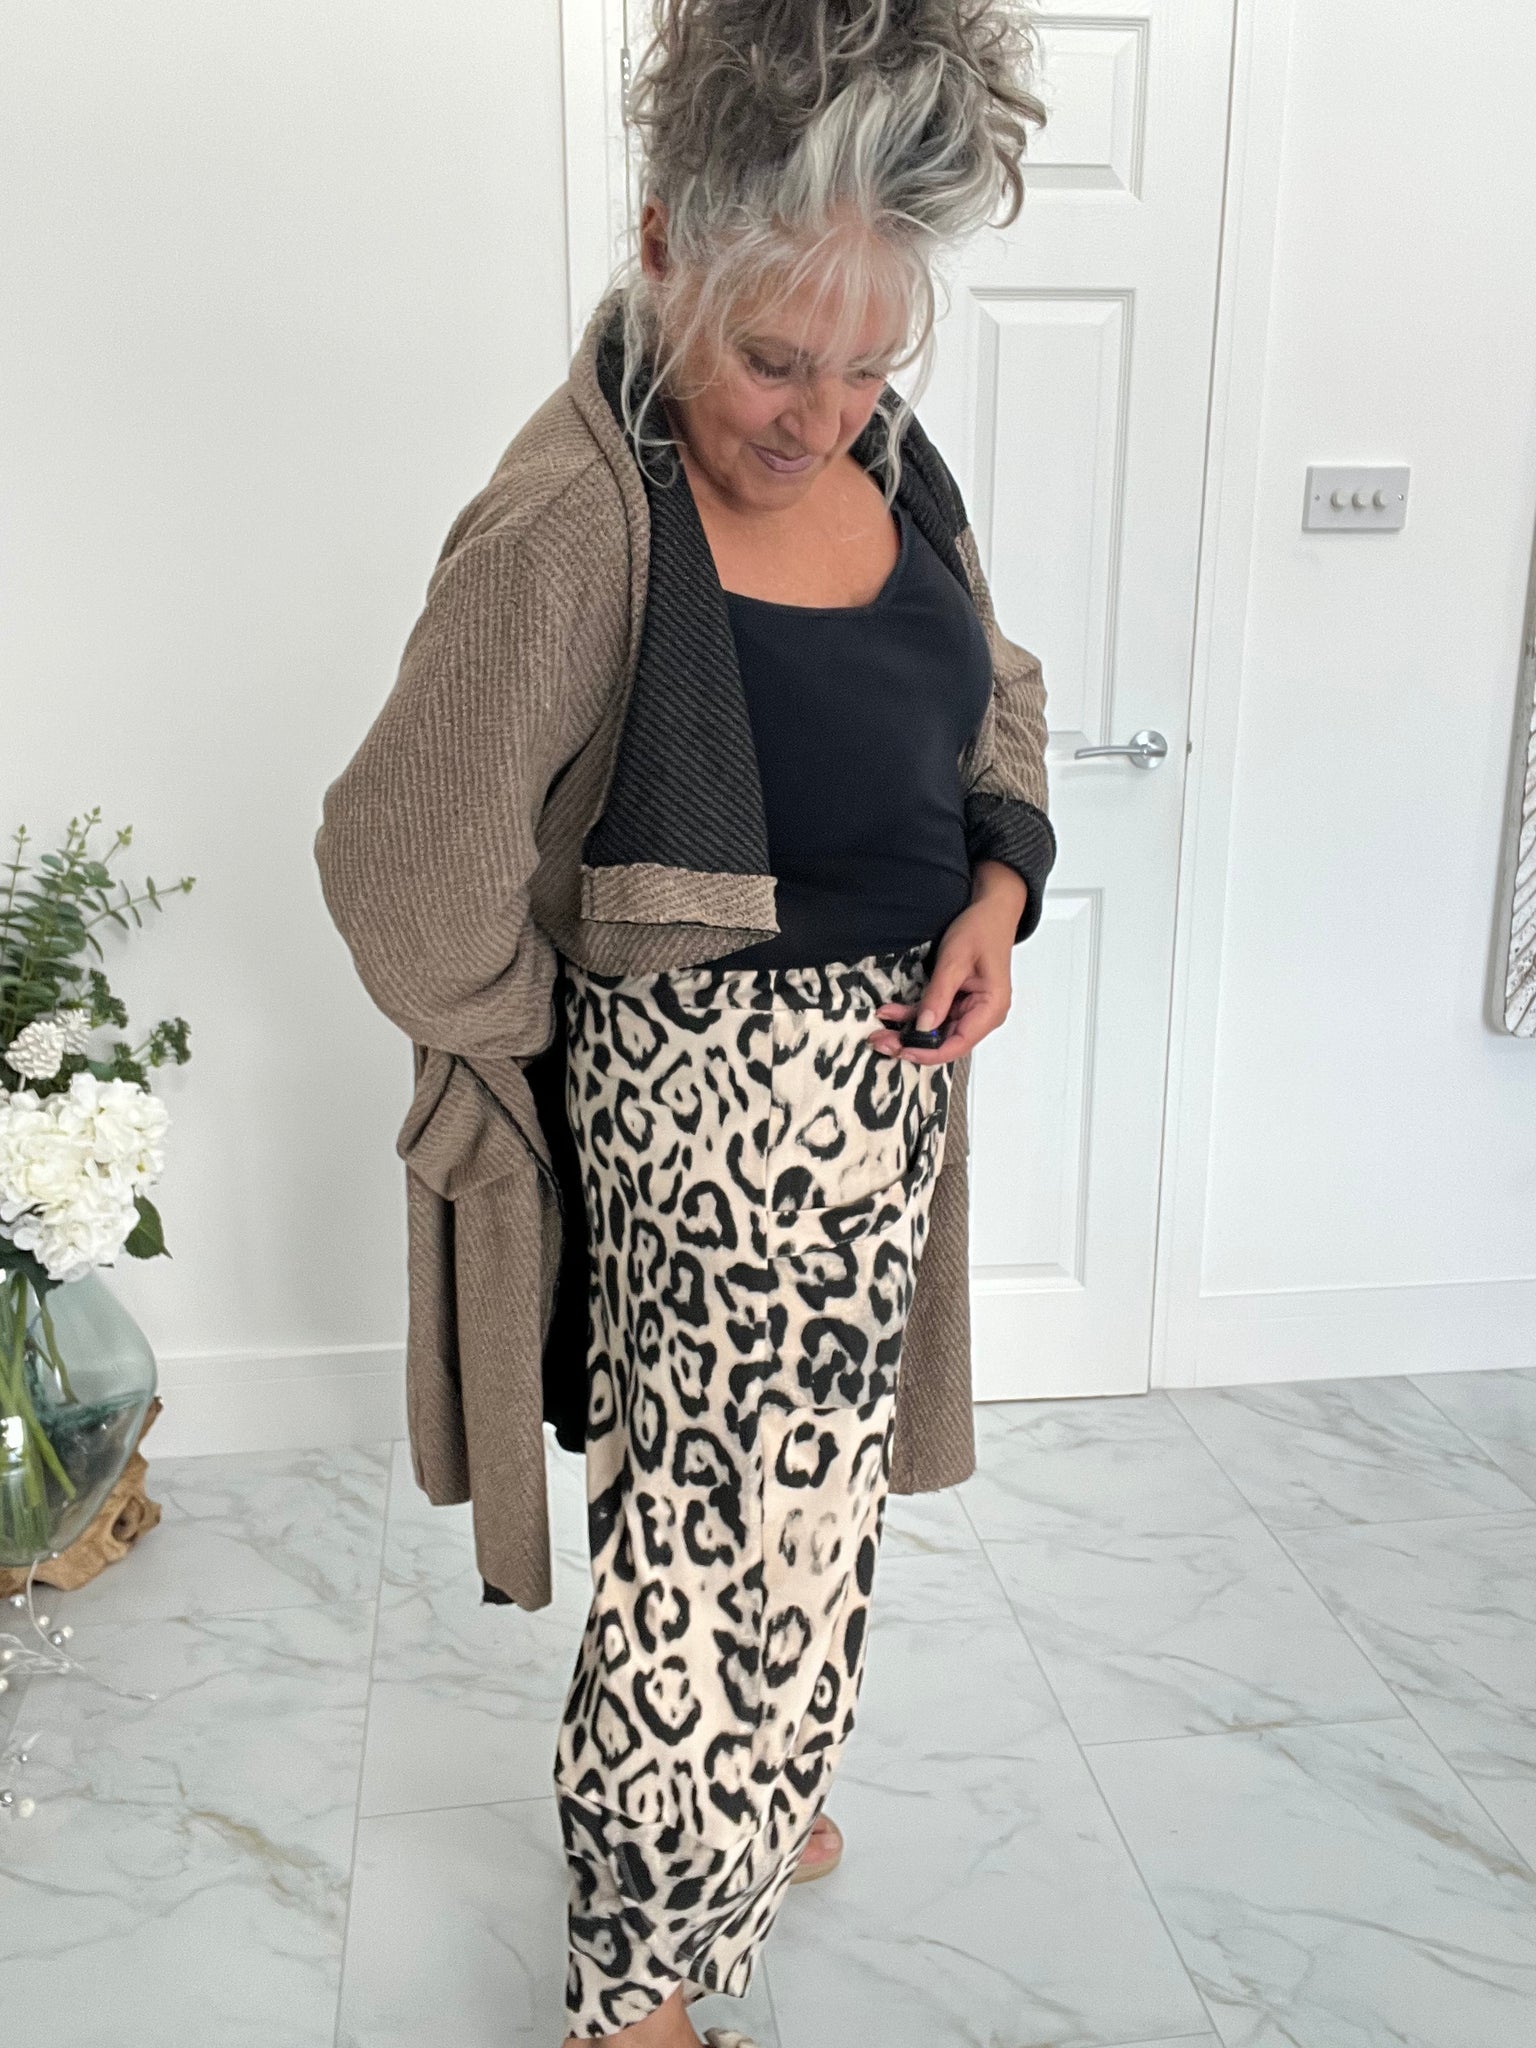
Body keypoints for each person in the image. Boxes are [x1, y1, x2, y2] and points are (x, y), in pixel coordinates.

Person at [314, 4, 1053, 2043]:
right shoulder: (577, 523)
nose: (824, 416)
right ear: (664, 250)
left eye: (869, 362)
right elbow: (399, 869)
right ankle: (639, 1982)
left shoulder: (895, 457)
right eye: (777, 360)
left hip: (883, 1114)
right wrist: (577, 1046)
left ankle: (768, 1786)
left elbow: (995, 690)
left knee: (811, 1513)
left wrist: (999, 892)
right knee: (710, 1555)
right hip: (718, 1115)